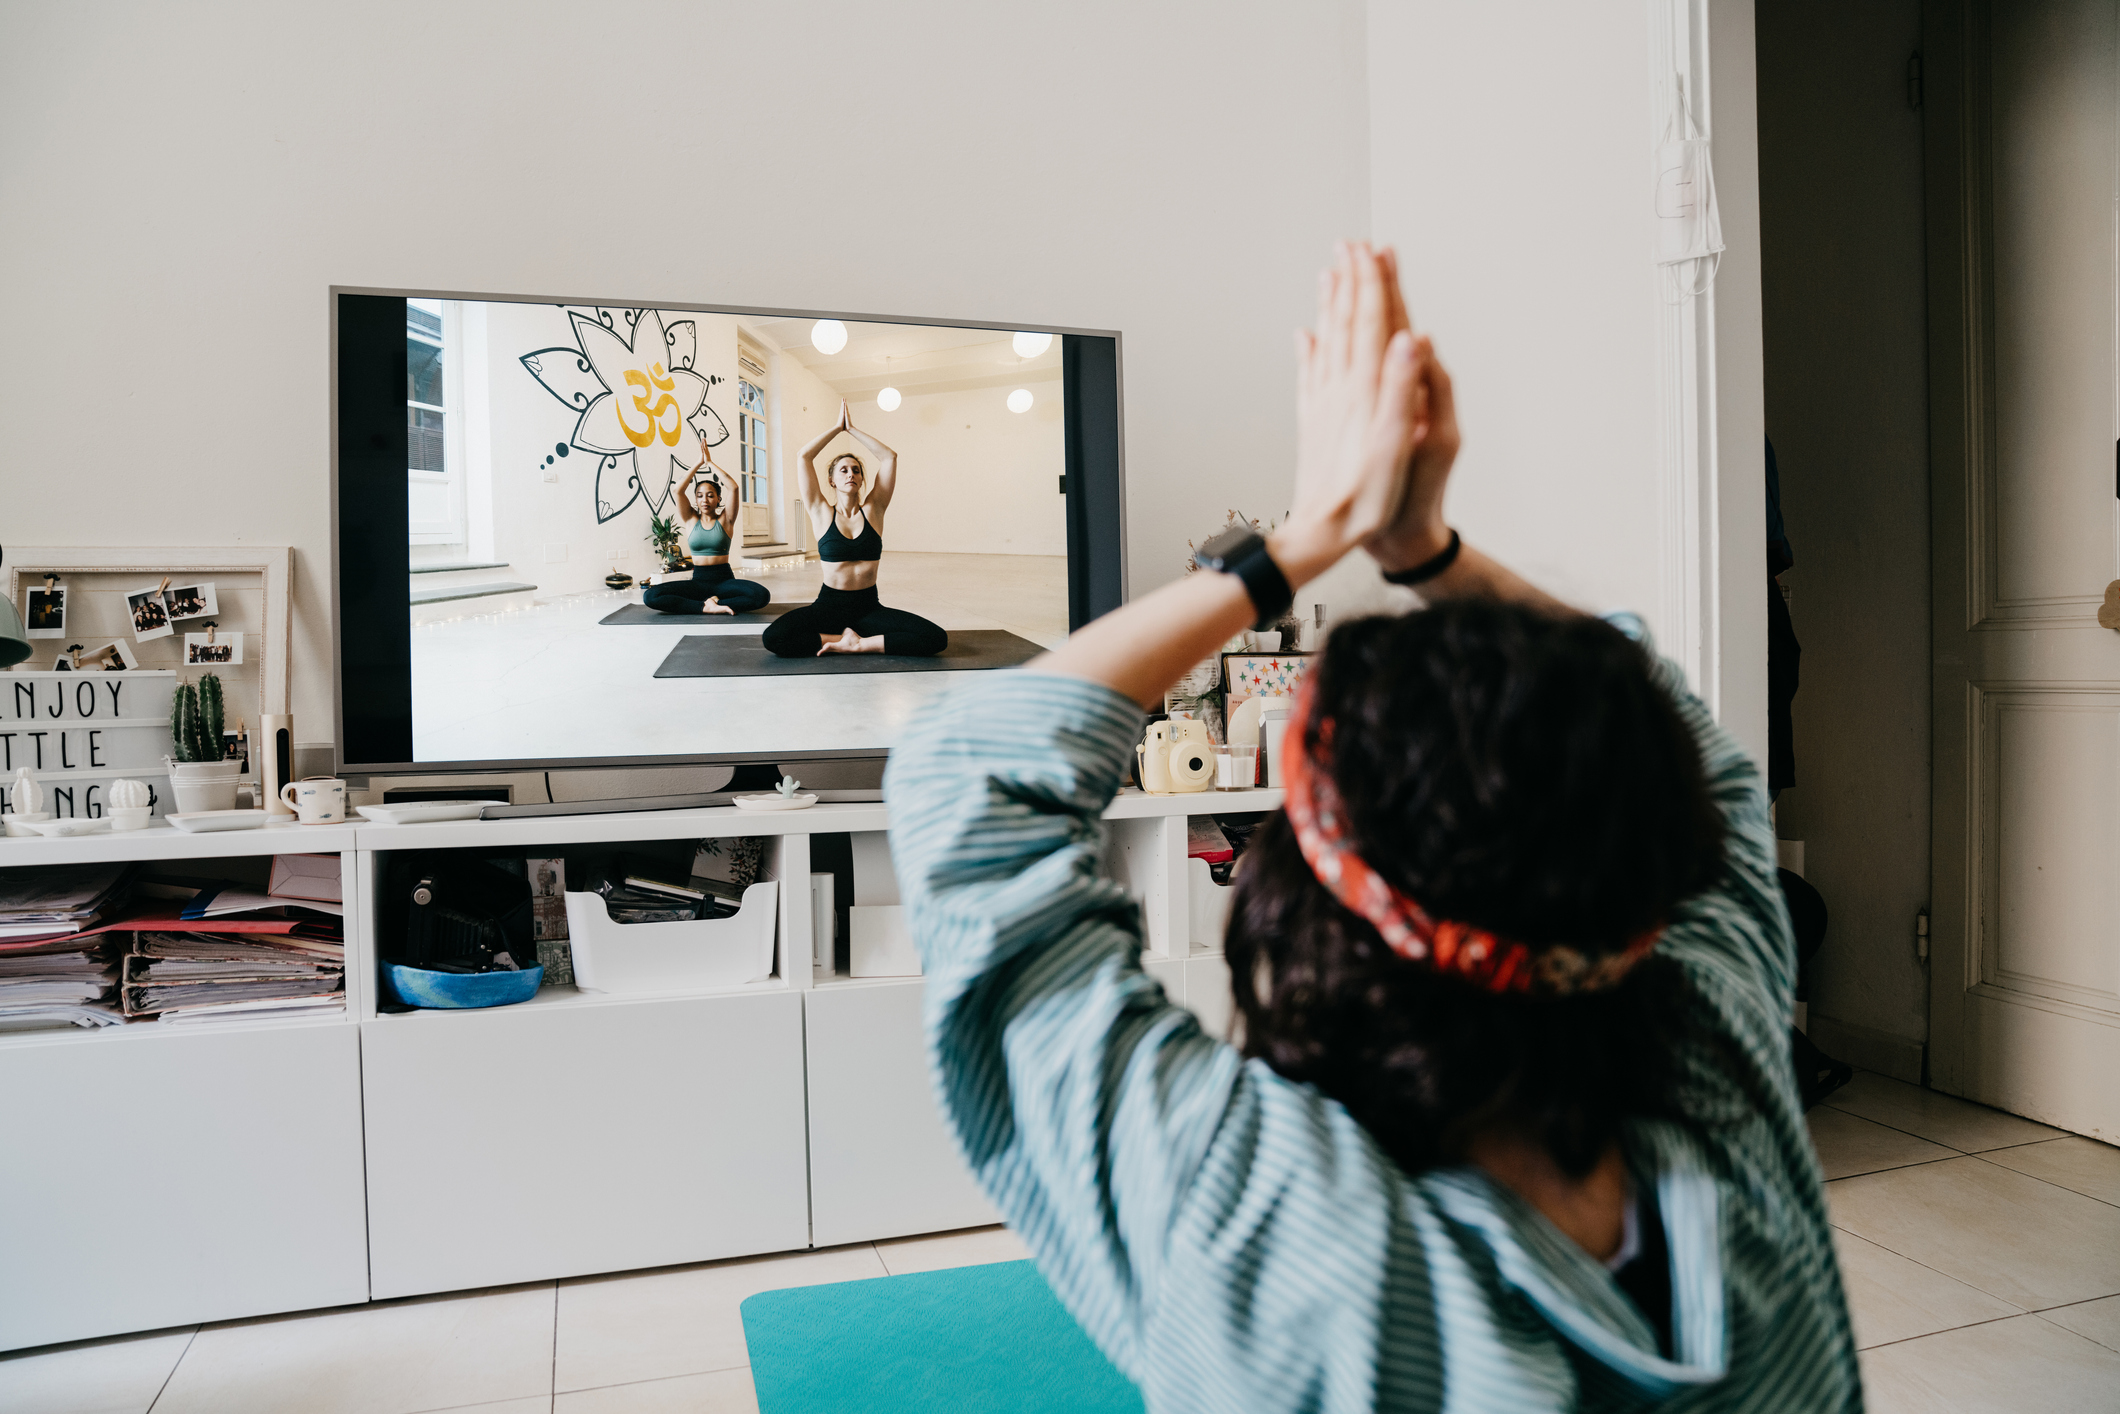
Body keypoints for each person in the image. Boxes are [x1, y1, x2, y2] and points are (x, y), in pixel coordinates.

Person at [883, 245, 1859, 1411]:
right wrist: (1422, 546)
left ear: (1304, 892)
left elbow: (963, 769)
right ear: (1653, 860)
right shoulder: (1727, 1081)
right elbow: (1673, 735)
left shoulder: (1258, 1214)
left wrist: (1315, 532)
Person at [762, 403, 947, 657]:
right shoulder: (821, 512)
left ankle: (861, 643)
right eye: (844, 470)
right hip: (828, 607)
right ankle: (839, 639)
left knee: (936, 638)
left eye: (856, 470)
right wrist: (837, 429)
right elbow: (804, 456)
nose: (851, 474)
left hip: (869, 609)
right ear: (831, 480)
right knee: (773, 638)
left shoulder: (874, 510)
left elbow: (889, 457)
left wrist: (853, 430)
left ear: (861, 479)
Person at [639, 447, 771, 616]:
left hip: (724, 581)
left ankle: (715, 602)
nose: (705, 500)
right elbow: (677, 490)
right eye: (700, 496)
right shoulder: (690, 519)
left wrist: (709, 463)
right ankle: (705, 606)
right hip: (698, 582)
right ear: (695, 499)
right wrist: (698, 463)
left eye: (710, 495)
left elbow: (734, 488)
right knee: (651, 596)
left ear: (718, 499)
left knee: (761, 595)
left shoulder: (726, 520)